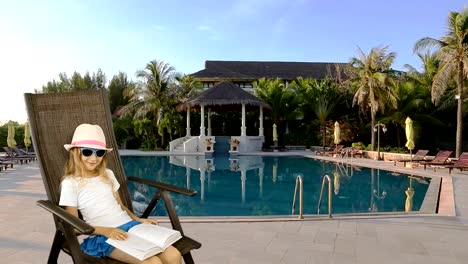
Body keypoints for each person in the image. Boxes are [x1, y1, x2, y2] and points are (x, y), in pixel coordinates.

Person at [59, 124, 181, 264]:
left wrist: (137, 219)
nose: (94, 158)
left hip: (131, 226)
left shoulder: (108, 174)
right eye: (87, 152)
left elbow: (121, 205)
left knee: (174, 255)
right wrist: (106, 231)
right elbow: (74, 225)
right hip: (104, 235)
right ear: (75, 152)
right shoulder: (71, 183)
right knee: (153, 262)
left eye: (99, 153)